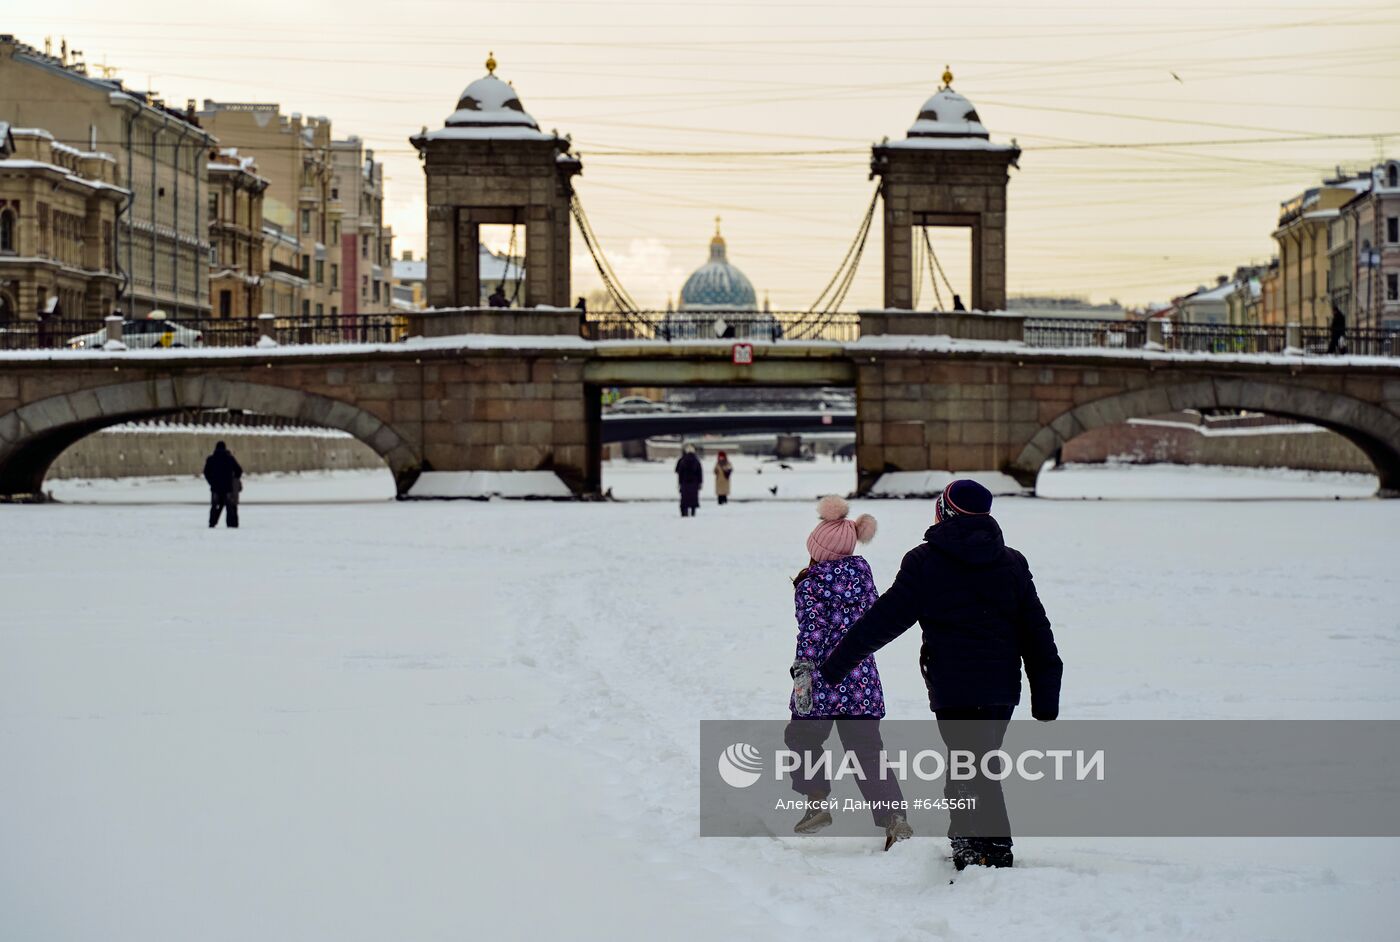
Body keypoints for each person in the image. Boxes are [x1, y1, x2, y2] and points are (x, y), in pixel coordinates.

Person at [817, 479, 1062, 871]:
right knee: (976, 763)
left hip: (955, 688)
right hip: (1001, 689)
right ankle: (975, 845)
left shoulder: (926, 562)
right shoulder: (1011, 562)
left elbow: (881, 621)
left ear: (945, 512)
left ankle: (987, 850)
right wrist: (1046, 692)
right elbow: (1037, 632)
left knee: (971, 767)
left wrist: (834, 667)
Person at [787, 497, 912, 850]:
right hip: (861, 680)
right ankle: (894, 819)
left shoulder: (811, 583)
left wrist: (802, 671)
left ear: (819, 549)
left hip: (822, 680)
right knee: (867, 751)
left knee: (802, 739)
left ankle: (816, 804)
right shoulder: (863, 575)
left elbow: (812, 631)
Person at [203, 441, 243, 529]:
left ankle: (212, 523)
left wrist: (211, 482)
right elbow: (239, 470)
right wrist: (234, 480)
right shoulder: (229, 458)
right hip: (228, 487)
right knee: (230, 507)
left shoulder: (211, 459)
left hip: (215, 488)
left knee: (215, 506)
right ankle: (231, 524)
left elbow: (206, 472)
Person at [675, 444, 703, 517]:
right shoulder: (696, 461)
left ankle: (685, 512)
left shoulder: (682, 461)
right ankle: (693, 512)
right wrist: (700, 482)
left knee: (685, 499)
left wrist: (680, 483)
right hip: (694, 483)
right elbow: (699, 473)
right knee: (693, 498)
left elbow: (679, 472)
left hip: (685, 482)